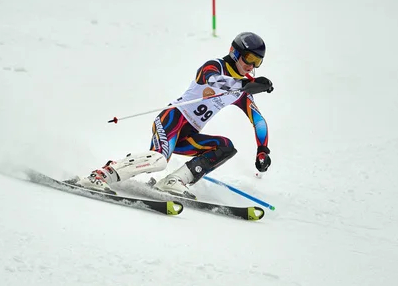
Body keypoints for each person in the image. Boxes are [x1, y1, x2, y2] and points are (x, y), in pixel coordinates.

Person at [75, 32, 274, 199]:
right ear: (235, 52)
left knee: (225, 147)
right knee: (158, 160)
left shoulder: (242, 91)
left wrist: (263, 149)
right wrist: (245, 85)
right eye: (249, 58)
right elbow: (211, 80)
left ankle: (175, 181)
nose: (252, 66)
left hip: (188, 136)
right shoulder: (214, 66)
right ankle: (100, 175)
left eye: (258, 61)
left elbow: (258, 120)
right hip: (172, 121)